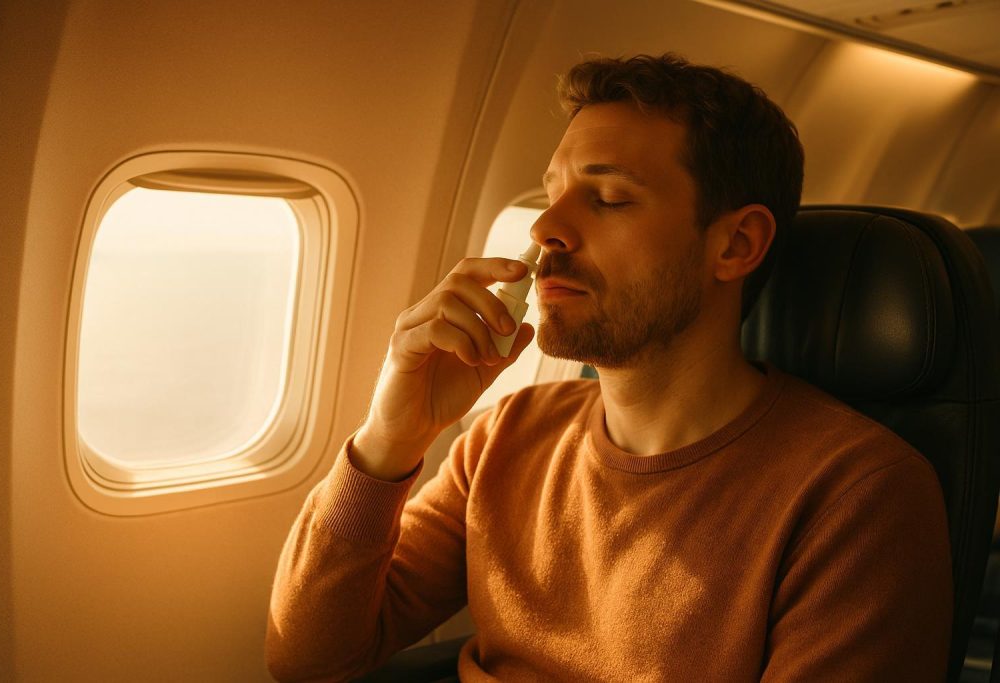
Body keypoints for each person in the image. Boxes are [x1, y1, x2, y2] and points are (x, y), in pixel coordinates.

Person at [265, 53, 952, 681]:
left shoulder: (857, 495)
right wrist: (390, 438)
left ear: (736, 243)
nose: (544, 231)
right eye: (551, 193)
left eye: (609, 198)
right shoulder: (509, 432)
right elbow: (309, 657)